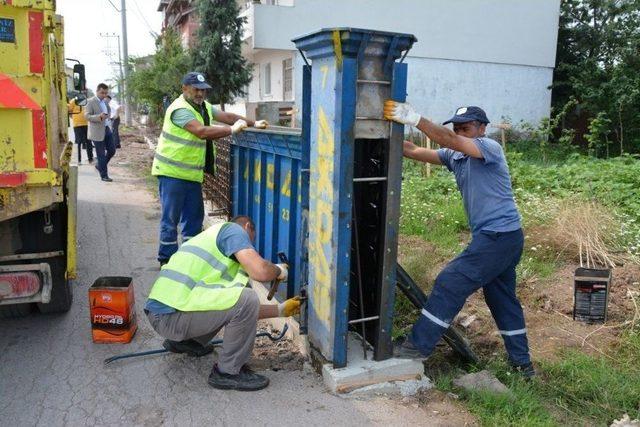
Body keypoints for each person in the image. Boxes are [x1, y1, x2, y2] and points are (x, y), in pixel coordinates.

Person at [384, 101, 535, 378]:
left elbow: (450, 139)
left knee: (450, 281)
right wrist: (385, 134)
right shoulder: (457, 157)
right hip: (502, 238)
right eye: (457, 128)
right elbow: (414, 150)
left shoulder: (489, 148)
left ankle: (418, 346)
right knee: (502, 300)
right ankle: (523, 366)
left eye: (466, 128)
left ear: (482, 128)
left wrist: (414, 118)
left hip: (499, 237)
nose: (460, 132)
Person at [145, 215, 301, 391]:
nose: (249, 246)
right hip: (171, 316)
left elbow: (239, 311)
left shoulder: (213, 247)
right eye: (251, 239)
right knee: (247, 297)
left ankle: (186, 342)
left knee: (237, 300)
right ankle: (227, 372)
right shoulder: (232, 230)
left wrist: (280, 310)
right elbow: (261, 272)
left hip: (164, 315)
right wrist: (278, 270)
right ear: (247, 226)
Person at [152, 72, 268, 266]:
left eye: (203, 90)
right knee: (170, 220)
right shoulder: (180, 109)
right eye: (196, 89)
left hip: (191, 175)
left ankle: (189, 260)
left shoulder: (203, 106)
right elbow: (201, 131)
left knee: (193, 221)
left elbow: (228, 116)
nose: (200, 93)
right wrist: (231, 130)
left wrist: (252, 123)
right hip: (171, 174)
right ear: (184, 89)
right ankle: (167, 261)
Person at [85, 83, 115, 182]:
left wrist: (108, 117)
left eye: (106, 93)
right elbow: (87, 116)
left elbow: (109, 111)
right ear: (97, 91)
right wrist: (99, 117)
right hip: (96, 131)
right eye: (102, 93)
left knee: (112, 150)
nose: (104, 95)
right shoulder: (90, 101)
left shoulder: (105, 102)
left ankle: (99, 165)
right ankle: (104, 175)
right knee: (101, 154)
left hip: (107, 129)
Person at [68, 96, 93, 164]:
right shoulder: (73, 101)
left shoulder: (88, 101)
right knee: (78, 142)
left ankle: (90, 159)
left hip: (87, 124)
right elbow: (69, 110)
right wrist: (75, 118)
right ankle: (77, 160)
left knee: (88, 141)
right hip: (77, 125)